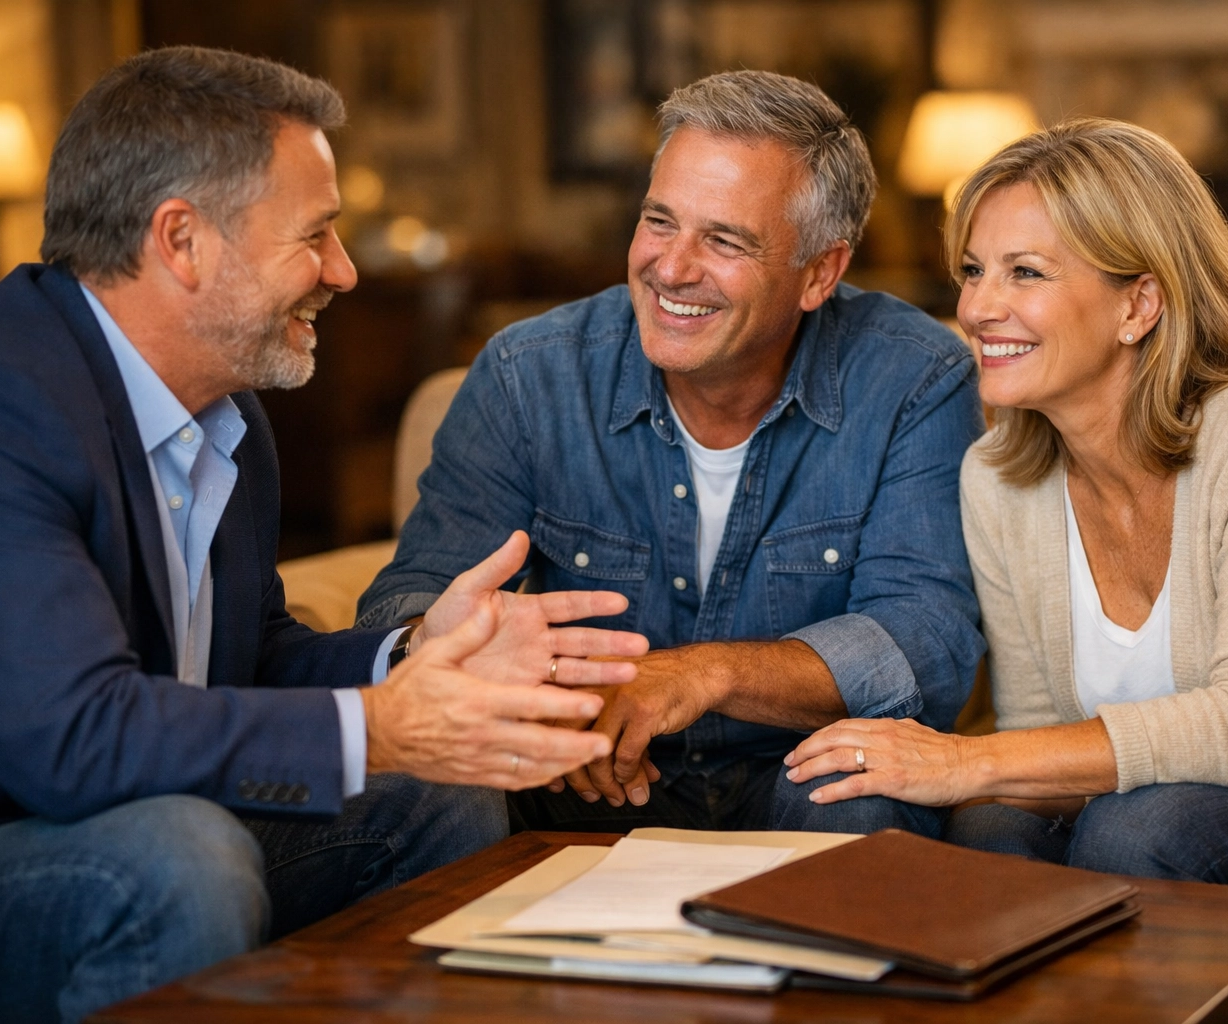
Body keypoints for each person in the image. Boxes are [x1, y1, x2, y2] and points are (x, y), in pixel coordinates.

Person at [0, 47, 649, 1024]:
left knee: (443, 788)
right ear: (181, 240)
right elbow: (70, 737)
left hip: (156, 815)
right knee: (184, 855)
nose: (344, 272)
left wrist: (415, 658)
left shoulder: (229, 410)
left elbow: (251, 654)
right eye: (316, 235)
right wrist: (380, 724)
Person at [784, 117, 1228, 927]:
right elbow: (1045, 738)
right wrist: (962, 780)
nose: (977, 307)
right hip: (1165, 825)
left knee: (1139, 825)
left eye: (1025, 272)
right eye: (973, 270)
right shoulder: (1001, 477)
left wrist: (962, 759)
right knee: (990, 824)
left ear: (1139, 303)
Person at [357, 70, 986, 838]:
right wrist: (554, 700)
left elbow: (926, 643)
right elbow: (405, 609)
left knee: (866, 793)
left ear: (820, 272)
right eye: (660, 222)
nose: (672, 268)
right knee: (435, 791)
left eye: (724, 240)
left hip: (795, 770)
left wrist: (699, 675)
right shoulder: (530, 374)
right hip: (576, 776)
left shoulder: (914, 377)